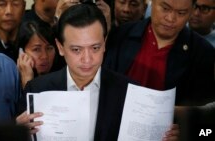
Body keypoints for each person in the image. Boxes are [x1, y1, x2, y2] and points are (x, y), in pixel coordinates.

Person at [16, 4, 179, 141]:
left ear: (105, 43)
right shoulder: (37, 90)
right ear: (60, 47)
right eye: (76, 50)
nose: (87, 59)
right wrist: (16, 133)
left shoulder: (130, 92)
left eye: (95, 48)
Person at [104, 0, 215, 138]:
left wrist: (186, 134)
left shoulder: (203, 54)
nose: (170, 19)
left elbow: (207, 126)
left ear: (192, 11)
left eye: (181, 13)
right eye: (165, 8)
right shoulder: (119, 36)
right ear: (152, 4)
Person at [17, 21, 65, 89]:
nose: (44, 56)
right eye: (36, 49)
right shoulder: (11, 80)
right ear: (21, 53)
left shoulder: (63, 79)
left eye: (49, 48)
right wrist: (27, 79)